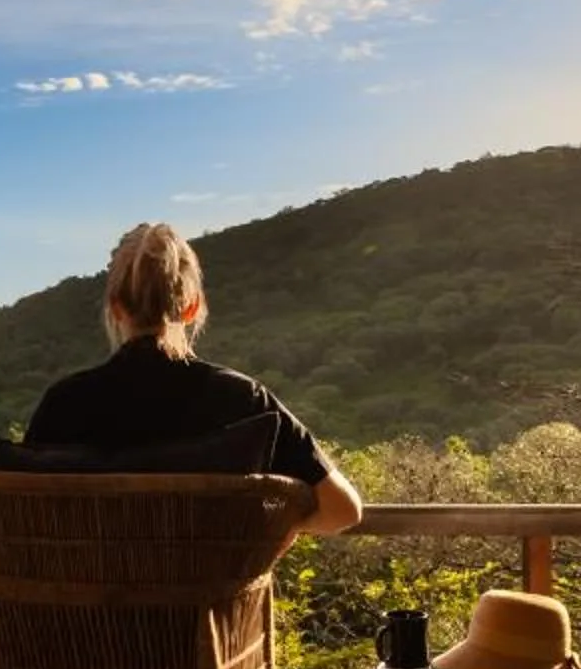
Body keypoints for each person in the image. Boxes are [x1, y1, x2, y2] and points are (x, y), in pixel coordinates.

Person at [25, 222, 365, 536]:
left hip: (81, 601)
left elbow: (15, 519)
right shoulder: (243, 401)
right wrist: (272, 534)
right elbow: (344, 510)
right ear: (191, 308)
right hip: (209, 603)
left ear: (116, 308)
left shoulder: (63, 403)